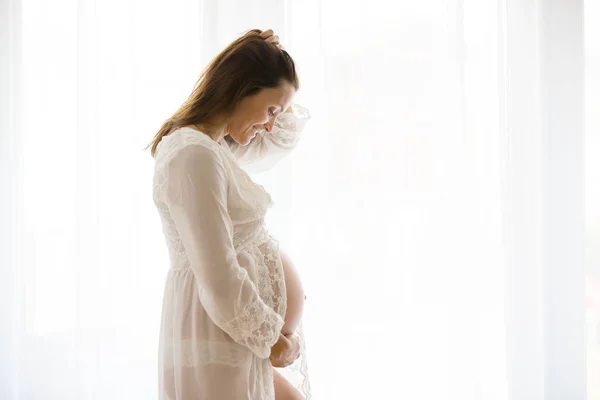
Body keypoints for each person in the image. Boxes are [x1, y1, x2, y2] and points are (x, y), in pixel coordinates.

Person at [147, 29, 311, 400]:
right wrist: (272, 339)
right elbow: (218, 274)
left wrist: (274, 60)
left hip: (229, 337)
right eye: (270, 110)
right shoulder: (193, 153)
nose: (271, 123)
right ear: (242, 88)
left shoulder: (213, 147)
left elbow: (279, 139)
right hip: (218, 333)